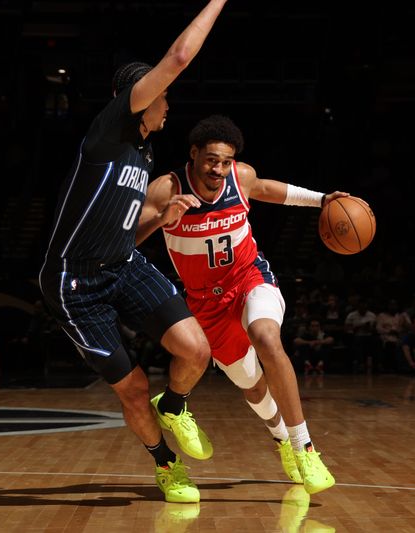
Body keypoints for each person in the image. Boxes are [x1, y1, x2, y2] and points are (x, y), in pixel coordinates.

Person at [38, 0, 228, 504]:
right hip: (75, 285)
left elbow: (123, 233)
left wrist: (159, 221)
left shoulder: (143, 153)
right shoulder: (110, 129)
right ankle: (166, 465)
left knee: (196, 350)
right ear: (144, 97)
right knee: (133, 387)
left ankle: (178, 401)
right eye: (165, 95)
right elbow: (180, 55)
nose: (170, 105)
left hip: (122, 265)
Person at [136, 114, 343, 494]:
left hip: (250, 277)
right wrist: (163, 218)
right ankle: (281, 439)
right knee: (252, 386)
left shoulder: (239, 178)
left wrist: (322, 200)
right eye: (211, 160)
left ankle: (305, 447)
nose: (218, 169)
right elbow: (126, 240)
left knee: (266, 338)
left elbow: (267, 188)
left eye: (225, 161)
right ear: (194, 154)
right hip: (205, 302)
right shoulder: (165, 189)